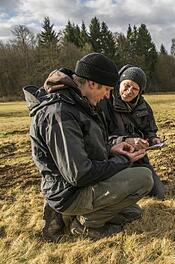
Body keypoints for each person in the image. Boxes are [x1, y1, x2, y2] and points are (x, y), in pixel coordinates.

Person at [23, 53, 154, 241]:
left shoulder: (80, 103)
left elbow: (84, 147)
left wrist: (111, 149)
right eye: (107, 89)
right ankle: (84, 225)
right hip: (69, 192)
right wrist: (123, 160)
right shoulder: (60, 114)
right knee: (143, 178)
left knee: (131, 212)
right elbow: (79, 174)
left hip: (78, 186)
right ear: (92, 84)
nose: (108, 95)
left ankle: (72, 216)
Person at [100, 65, 165, 199]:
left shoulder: (144, 106)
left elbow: (150, 130)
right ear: (119, 83)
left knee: (159, 193)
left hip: (138, 157)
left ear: (140, 92)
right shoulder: (104, 102)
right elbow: (99, 138)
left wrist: (153, 139)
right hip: (112, 158)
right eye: (127, 85)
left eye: (135, 88)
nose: (129, 91)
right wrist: (124, 141)